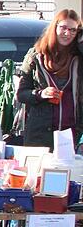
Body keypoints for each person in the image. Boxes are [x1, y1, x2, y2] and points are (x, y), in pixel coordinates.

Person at [16, 9, 83, 150]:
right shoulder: (36, 56)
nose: (67, 33)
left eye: (73, 30)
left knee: (70, 171)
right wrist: (41, 94)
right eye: (63, 28)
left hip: (71, 133)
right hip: (40, 133)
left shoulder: (78, 57)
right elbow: (21, 94)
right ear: (55, 27)